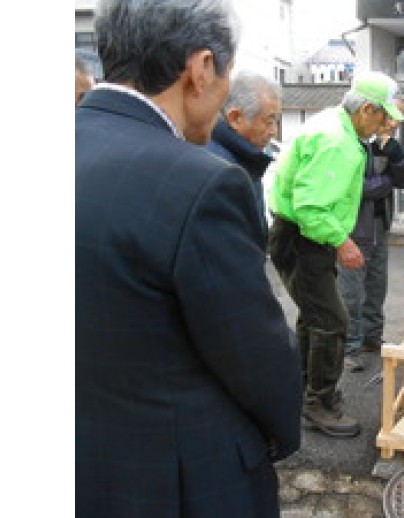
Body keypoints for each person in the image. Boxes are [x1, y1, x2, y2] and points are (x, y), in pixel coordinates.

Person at [76, 1, 303, 517]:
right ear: (201, 70)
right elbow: (256, 355)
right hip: (182, 477)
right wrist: (281, 429)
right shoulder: (199, 183)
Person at [267, 70, 404, 438]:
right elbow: (311, 208)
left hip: (299, 235)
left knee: (314, 317)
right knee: (332, 321)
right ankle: (319, 405)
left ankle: (302, 390)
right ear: (366, 109)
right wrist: (343, 242)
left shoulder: (336, 126)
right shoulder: (337, 141)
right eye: (383, 115)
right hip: (303, 237)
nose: (386, 124)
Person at [339, 93, 404, 373]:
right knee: (351, 290)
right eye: (391, 116)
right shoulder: (353, 141)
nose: (394, 123)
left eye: (399, 118)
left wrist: (395, 156)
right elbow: (356, 189)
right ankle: (349, 347)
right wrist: (386, 182)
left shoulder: (389, 144)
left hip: (380, 226)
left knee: (376, 286)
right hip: (354, 226)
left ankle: (372, 338)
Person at [206, 71, 281, 235]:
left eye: (276, 122)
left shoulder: (245, 159)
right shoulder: (223, 172)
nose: (273, 131)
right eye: (269, 121)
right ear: (235, 118)